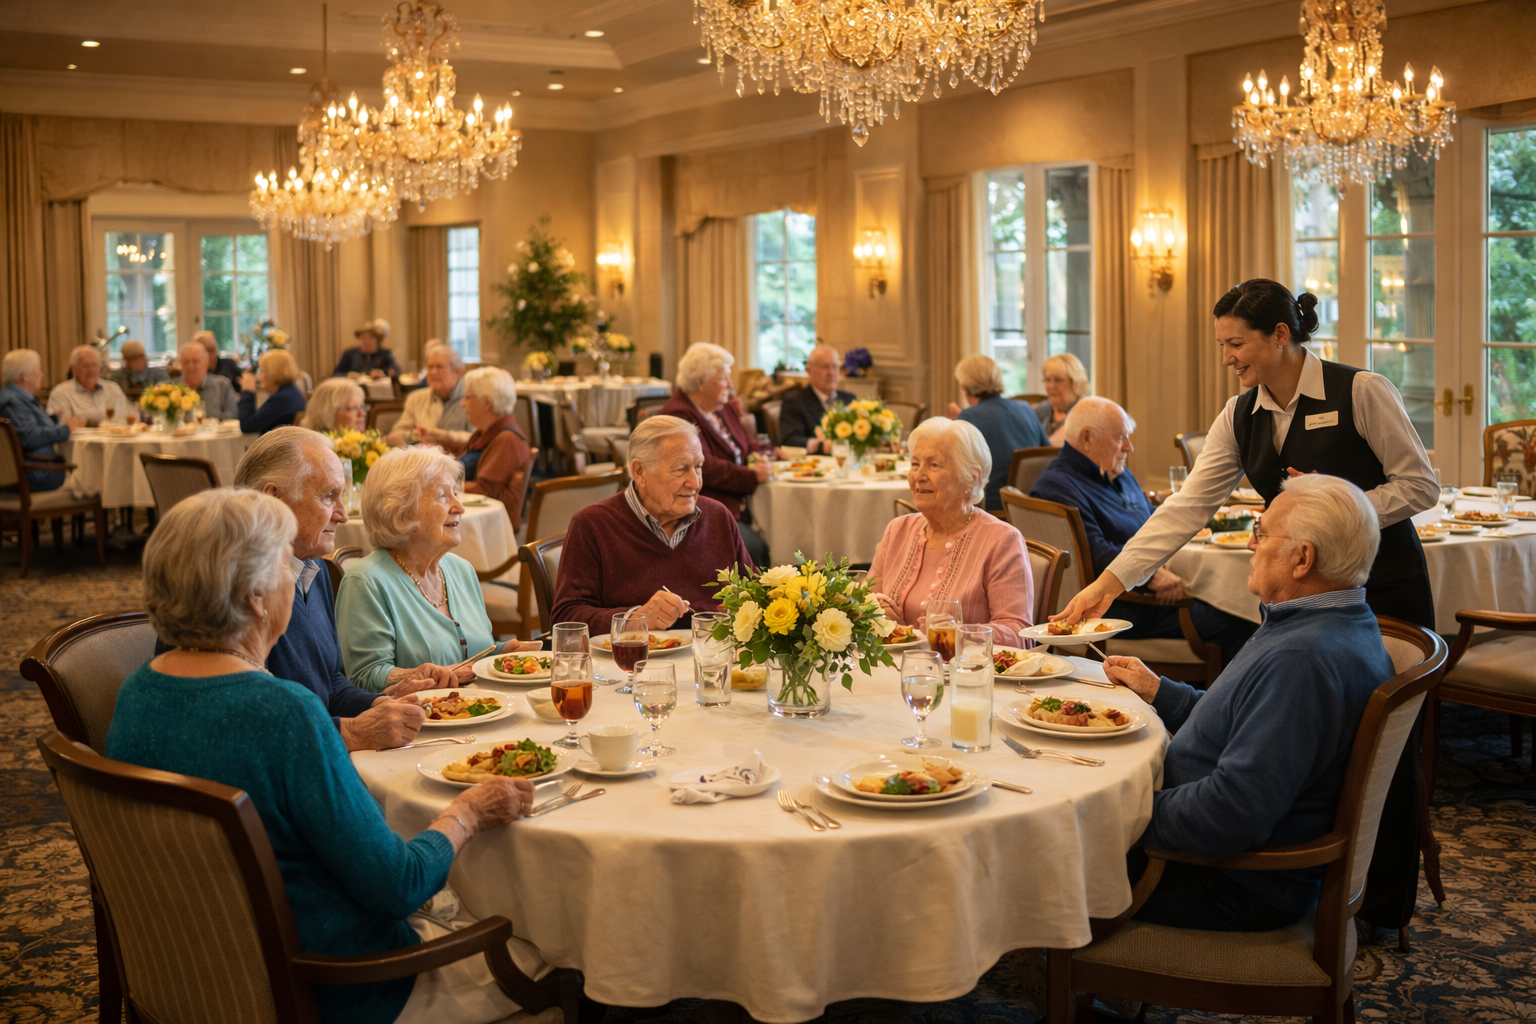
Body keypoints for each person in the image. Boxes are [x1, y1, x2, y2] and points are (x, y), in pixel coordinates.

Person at [1056, 278, 1439, 933]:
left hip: (1382, 584)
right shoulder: (1242, 414)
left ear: (1280, 336)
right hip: (1299, 589)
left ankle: (1378, 904)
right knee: (1289, 739)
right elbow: (1188, 505)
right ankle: (1312, 886)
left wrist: (1332, 514)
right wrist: (1112, 582)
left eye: (1237, 343)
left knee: (1380, 753)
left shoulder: (1360, 391)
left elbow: (1421, 485)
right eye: (1222, 345)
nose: (1228, 357)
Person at [106, 487, 543, 1024]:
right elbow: (398, 885)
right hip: (335, 988)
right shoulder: (284, 713)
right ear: (256, 599)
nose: (298, 579)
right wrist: (468, 812)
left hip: (193, 970)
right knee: (540, 948)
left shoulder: (137, 691)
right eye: (287, 566)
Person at [1101, 474, 1395, 931]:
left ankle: (1061, 981)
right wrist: (1161, 691)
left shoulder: (1302, 660)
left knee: (1044, 849)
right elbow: (1246, 722)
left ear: (1303, 559)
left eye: (1261, 532)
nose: (1250, 545)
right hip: (1226, 863)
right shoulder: (1331, 619)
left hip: (1230, 882)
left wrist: (1119, 815)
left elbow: (1232, 812)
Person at [1030, 397, 1257, 669]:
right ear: (1087, 438)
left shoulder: (1117, 473)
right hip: (1118, 604)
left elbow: (1151, 518)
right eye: (1121, 438)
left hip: (1143, 591)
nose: (1129, 447)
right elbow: (1094, 555)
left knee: (1234, 603)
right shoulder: (1056, 486)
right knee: (1237, 621)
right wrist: (1152, 577)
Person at [336, 446, 524, 692]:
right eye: (442, 496)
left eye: (455, 493)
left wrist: (504, 652)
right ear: (401, 508)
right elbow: (365, 678)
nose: (459, 507)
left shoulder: (461, 570)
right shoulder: (366, 582)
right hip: (420, 721)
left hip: (482, 711)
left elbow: (475, 654)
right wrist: (422, 676)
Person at [552, 415, 754, 634]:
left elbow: (752, 594)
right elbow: (565, 619)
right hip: (632, 664)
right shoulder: (593, 525)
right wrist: (636, 618)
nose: (695, 482)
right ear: (639, 472)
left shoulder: (717, 517)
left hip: (711, 660)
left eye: (698, 467)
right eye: (680, 469)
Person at [868, 417, 1032, 647]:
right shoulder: (897, 530)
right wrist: (875, 609)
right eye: (915, 464)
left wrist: (961, 634)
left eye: (934, 465)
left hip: (964, 675)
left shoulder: (1002, 541)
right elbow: (866, 601)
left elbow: (1020, 635)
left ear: (971, 477)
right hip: (894, 669)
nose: (919, 475)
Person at [659, 342, 773, 566]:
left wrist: (761, 456)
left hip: (743, 503)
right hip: (704, 507)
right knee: (756, 545)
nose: (730, 385)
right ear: (701, 382)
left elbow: (747, 441)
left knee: (782, 527)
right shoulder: (678, 415)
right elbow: (706, 468)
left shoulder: (721, 407)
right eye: (723, 379)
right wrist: (751, 476)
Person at [944, 354, 1048, 509]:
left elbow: (953, 468)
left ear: (965, 387)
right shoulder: (1025, 408)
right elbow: (1049, 455)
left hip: (990, 507)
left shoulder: (970, 417)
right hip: (1031, 504)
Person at [455, 367, 532, 534]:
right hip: (470, 516)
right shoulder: (483, 433)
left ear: (487, 403)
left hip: (489, 527)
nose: (463, 403)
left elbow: (484, 490)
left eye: (468, 398)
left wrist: (440, 488)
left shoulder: (507, 439)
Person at [0, 348, 79, 492]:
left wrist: (53, 418)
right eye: (38, 370)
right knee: (86, 475)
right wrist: (66, 429)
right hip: (36, 475)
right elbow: (30, 436)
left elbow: (23, 428)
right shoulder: (14, 401)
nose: (41, 374)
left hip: (30, 472)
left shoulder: (13, 396)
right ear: (25, 376)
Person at [386, 341, 469, 447]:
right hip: (423, 459)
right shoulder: (416, 398)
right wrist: (400, 437)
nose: (433, 372)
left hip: (461, 460)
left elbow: (479, 437)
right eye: (430, 367)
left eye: (439, 367)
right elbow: (400, 429)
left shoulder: (472, 398)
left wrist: (446, 436)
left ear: (457, 371)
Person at [777, 343, 854, 451]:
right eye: (825, 367)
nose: (831, 372)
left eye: (835, 366)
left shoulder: (849, 399)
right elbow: (789, 440)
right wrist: (821, 445)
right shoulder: (795, 402)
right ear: (809, 371)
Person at [46, 345, 129, 427]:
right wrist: (92, 423)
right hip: (80, 440)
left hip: (114, 438)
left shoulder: (113, 389)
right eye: (86, 366)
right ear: (74, 369)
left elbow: (124, 417)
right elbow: (62, 425)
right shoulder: (61, 393)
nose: (91, 370)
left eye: (94, 365)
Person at [238, 349, 308, 435]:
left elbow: (247, 425)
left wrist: (248, 392)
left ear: (273, 374)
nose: (259, 377)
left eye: (262, 372)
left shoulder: (282, 398)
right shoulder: (291, 392)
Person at [1035, 353, 1090, 447]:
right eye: (1047, 380)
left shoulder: (1086, 413)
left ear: (1075, 382)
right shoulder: (1040, 411)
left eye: (1058, 380)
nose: (1051, 386)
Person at [177, 341, 239, 420]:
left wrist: (214, 424)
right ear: (181, 365)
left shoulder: (222, 385)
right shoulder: (172, 389)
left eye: (195, 361)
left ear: (206, 362)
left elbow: (233, 413)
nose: (191, 366)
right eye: (186, 362)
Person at [334, 318, 400, 378]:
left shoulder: (386, 354)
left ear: (377, 340)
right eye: (364, 338)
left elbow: (396, 372)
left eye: (371, 338)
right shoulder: (349, 354)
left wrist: (384, 374)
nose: (367, 341)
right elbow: (336, 374)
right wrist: (350, 375)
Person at [303, 377, 367, 433]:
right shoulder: (316, 445)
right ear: (327, 414)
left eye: (362, 407)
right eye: (352, 409)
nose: (362, 413)